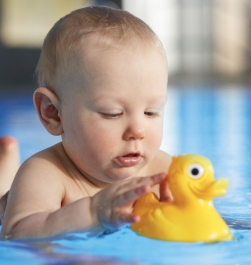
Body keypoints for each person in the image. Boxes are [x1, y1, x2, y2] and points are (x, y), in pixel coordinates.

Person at [1, 6, 173, 240]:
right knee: (6, 200)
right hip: (14, 204)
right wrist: (93, 212)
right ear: (53, 113)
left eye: (151, 112)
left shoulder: (163, 172)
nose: (138, 130)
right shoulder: (46, 174)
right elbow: (17, 233)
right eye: (112, 113)